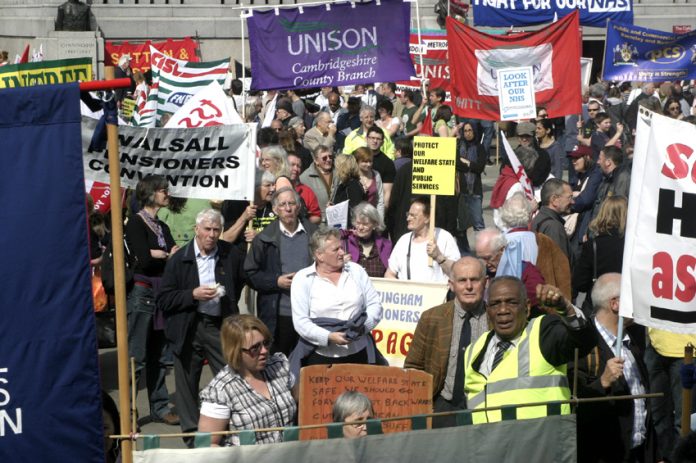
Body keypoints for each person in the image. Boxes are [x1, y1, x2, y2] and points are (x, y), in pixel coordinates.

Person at [157, 209, 246, 446]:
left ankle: (227, 429)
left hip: (219, 325)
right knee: (186, 382)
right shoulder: (180, 259)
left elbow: (241, 281)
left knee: (229, 376)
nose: (212, 234)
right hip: (189, 326)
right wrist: (192, 294)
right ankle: (192, 436)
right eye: (207, 229)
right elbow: (164, 299)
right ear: (196, 230)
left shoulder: (230, 254)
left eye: (216, 230)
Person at [463, 276, 597, 423]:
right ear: (487, 310)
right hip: (487, 443)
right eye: (495, 304)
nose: (503, 310)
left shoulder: (544, 333)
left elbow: (584, 340)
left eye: (511, 302)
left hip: (539, 442)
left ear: (527, 308)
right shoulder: (473, 350)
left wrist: (566, 308)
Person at [569, 273, 655, 463]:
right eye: (632, 297)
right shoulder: (583, 347)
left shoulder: (630, 342)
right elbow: (573, 409)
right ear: (615, 304)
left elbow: (644, 406)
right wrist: (603, 382)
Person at [405, 257, 488, 427]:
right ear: (451, 284)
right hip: (442, 407)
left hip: (485, 408)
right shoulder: (432, 318)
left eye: (474, 280)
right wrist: (423, 406)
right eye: (462, 280)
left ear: (485, 282)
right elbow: (414, 368)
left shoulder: (496, 319)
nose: (469, 286)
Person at [124, 175, 179, 426]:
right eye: (162, 190)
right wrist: (165, 254)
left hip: (161, 295)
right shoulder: (136, 223)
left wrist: (162, 254)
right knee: (136, 357)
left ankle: (159, 406)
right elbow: (143, 260)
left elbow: (172, 256)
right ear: (150, 194)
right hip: (143, 295)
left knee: (160, 355)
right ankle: (129, 413)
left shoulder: (163, 226)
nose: (167, 194)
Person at [289, 227, 383, 372]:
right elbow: (301, 322)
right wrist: (329, 337)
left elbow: (374, 304)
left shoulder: (356, 271)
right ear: (319, 255)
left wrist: (362, 328)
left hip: (359, 353)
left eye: (342, 247)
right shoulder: (303, 279)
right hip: (321, 357)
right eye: (336, 249)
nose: (342, 253)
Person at [198, 315, 297, 446]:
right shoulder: (220, 391)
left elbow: (302, 403)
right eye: (255, 348)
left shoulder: (279, 367)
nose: (264, 351)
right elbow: (205, 445)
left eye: (266, 343)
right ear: (235, 351)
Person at [244, 187, 317, 355]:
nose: (288, 208)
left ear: (298, 207)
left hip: (311, 313)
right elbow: (250, 273)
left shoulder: (315, 234)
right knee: (278, 364)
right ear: (275, 210)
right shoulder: (264, 238)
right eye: (283, 204)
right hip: (279, 314)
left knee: (306, 366)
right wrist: (276, 282)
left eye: (291, 203)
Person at [385, 196, 460, 282]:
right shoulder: (404, 240)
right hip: (410, 294)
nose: (408, 218)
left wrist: (439, 257)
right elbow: (389, 274)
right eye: (408, 214)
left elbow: (457, 273)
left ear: (427, 218)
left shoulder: (444, 238)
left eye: (413, 216)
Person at [572, 196, 627, 305]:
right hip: (624, 304)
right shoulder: (631, 246)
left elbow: (580, 283)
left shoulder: (593, 245)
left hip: (598, 304)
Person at [475, 228, 545, 307]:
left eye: (488, 258)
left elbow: (536, 296)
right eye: (481, 259)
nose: (485, 264)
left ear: (502, 250)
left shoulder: (525, 271)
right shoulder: (481, 273)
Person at [456, 122, 488, 249]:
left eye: (470, 130)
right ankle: (464, 252)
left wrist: (466, 162)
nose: (468, 133)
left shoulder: (479, 147)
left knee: (478, 224)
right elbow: (456, 164)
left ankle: (484, 250)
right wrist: (469, 165)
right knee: (461, 226)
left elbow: (479, 167)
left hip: (474, 191)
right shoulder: (459, 146)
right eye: (465, 131)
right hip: (461, 192)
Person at [341, 202, 392, 278]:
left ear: (375, 224)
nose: (360, 227)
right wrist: (341, 264)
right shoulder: (345, 244)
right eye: (358, 223)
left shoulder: (386, 245)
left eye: (365, 224)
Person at [531, 178, 574, 260]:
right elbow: (560, 265)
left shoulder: (538, 219)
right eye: (569, 198)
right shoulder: (554, 227)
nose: (573, 202)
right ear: (554, 200)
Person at [299, 145, 338, 224]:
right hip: (319, 224)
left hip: (338, 220)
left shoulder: (339, 173)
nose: (328, 160)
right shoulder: (305, 178)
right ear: (316, 160)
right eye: (324, 158)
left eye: (330, 157)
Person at [286, 151, 322, 224]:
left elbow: (317, 216)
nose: (296, 169)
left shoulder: (306, 191)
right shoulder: (274, 187)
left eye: (298, 166)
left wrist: (303, 222)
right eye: (292, 165)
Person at [331, 154, 364, 227]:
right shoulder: (343, 185)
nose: (335, 169)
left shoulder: (353, 186)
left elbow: (355, 210)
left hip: (350, 230)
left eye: (337, 166)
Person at [354, 147, 384, 220]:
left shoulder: (376, 175)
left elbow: (380, 200)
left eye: (370, 161)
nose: (368, 164)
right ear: (357, 161)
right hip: (355, 219)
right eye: (365, 161)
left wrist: (380, 220)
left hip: (371, 218)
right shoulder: (352, 176)